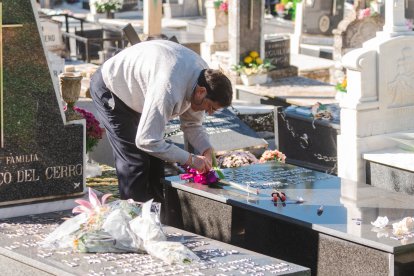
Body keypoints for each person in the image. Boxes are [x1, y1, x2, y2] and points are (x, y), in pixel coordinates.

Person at [90, 40, 233, 203]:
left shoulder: (203, 80)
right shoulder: (169, 88)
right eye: (211, 107)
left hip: (142, 88)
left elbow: (192, 124)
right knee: (135, 162)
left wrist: (207, 149)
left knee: (156, 161)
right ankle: (133, 218)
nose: (209, 112)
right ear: (201, 92)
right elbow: (146, 141)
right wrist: (191, 160)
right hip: (112, 87)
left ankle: (157, 214)